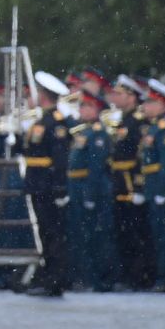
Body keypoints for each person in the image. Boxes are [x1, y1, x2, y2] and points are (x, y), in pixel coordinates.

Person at [20, 72, 72, 297]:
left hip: (48, 185)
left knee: (53, 234)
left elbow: (59, 159)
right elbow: (32, 151)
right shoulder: (41, 121)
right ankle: (48, 274)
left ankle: (55, 278)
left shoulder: (56, 122)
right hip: (37, 183)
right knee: (45, 233)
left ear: (44, 95)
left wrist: (60, 188)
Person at [66, 87, 115, 292]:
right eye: (82, 105)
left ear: (97, 109)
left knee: (95, 235)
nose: (83, 109)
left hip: (91, 187)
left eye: (87, 106)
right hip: (78, 186)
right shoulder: (83, 131)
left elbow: (95, 166)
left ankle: (97, 278)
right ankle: (84, 276)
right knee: (80, 234)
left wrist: (90, 193)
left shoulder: (98, 134)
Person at [106, 74, 149, 289]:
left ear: (132, 97)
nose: (115, 98)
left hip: (131, 181)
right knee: (122, 230)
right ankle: (126, 275)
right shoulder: (122, 121)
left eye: (120, 94)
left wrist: (139, 184)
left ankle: (138, 276)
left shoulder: (138, 122)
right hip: (119, 182)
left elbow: (142, 156)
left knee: (135, 231)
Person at [139, 79, 165, 291]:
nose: (146, 106)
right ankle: (162, 276)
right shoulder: (154, 129)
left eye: (151, 102)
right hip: (153, 188)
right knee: (158, 235)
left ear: (163, 105)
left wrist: (163, 190)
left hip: (163, 189)